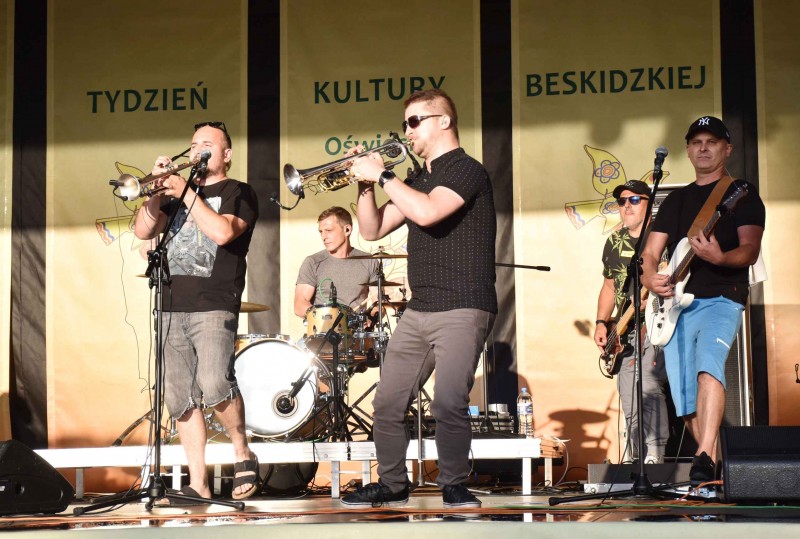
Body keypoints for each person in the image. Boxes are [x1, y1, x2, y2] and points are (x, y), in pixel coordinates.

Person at [341, 89, 497, 508]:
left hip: (464, 303)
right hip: (420, 306)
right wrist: (365, 186)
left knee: (448, 401)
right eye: (405, 123)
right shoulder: (415, 180)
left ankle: (454, 484)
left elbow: (428, 212)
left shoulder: (467, 170)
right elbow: (371, 230)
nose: (407, 130)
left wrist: (383, 176)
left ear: (444, 121)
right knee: (387, 402)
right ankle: (393, 484)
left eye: (415, 121)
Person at [133, 121, 261, 501]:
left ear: (226, 154)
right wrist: (155, 193)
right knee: (180, 398)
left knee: (215, 383)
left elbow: (223, 233)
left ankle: (241, 450)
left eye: (207, 144)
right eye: (193, 145)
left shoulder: (239, 192)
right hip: (170, 305)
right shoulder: (175, 196)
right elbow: (143, 232)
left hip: (214, 303)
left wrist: (184, 191)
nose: (197, 151)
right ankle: (198, 483)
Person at [642, 116, 765, 486]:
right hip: (675, 308)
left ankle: (705, 457)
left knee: (708, 368)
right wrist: (649, 278)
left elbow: (749, 250)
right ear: (687, 150)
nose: (704, 148)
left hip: (722, 298)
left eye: (712, 142)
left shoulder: (740, 192)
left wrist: (720, 257)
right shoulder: (676, 200)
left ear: (727, 149)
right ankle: (713, 467)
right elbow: (650, 252)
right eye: (697, 142)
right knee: (683, 394)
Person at [594, 180, 669, 464]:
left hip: (657, 324)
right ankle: (638, 456)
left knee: (648, 384)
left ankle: (655, 454)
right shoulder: (614, 241)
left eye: (634, 200)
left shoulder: (662, 239)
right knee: (628, 393)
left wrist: (654, 298)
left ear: (649, 204)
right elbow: (609, 287)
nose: (627, 206)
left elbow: (675, 278)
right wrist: (601, 322)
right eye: (622, 201)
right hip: (625, 330)